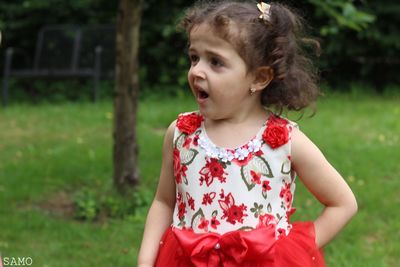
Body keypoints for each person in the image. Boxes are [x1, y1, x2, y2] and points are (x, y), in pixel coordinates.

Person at [138, 1, 357, 266]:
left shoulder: (284, 141)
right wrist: (146, 261)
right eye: (194, 57)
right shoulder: (182, 134)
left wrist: (291, 249)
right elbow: (163, 202)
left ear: (258, 78)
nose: (196, 70)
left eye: (215, 61)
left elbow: (343, 203)